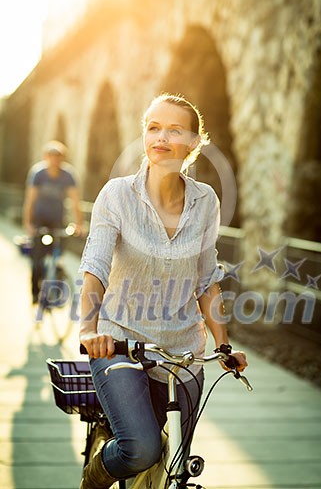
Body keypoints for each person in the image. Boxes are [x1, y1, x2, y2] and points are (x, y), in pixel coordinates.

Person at [79, 93, 248, 488]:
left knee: (176, 467)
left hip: (183, 352)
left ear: (193, 142)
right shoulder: (117, 195)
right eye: (153, 128)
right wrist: (89, 330)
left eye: (174, 130)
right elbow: (96, 266)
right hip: (120, 342)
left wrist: (223, 346)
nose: (161, 137)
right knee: (141, 449)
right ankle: (95, 475)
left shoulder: (206, 201)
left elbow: (207, 278)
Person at [23, 140, 83, 304]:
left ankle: (56, 284)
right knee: (37, 260)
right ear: (46, 157)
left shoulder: (68, 175)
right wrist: (28, 224)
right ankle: (35, 293)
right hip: (40, 221)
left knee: (58, 255)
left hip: (58, 220)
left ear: (62, 159)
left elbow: (75, 201)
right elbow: (30, 200)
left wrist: (79, 224)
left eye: (58, 157)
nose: (55, 160)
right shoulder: (38, 174)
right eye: (51, 156)